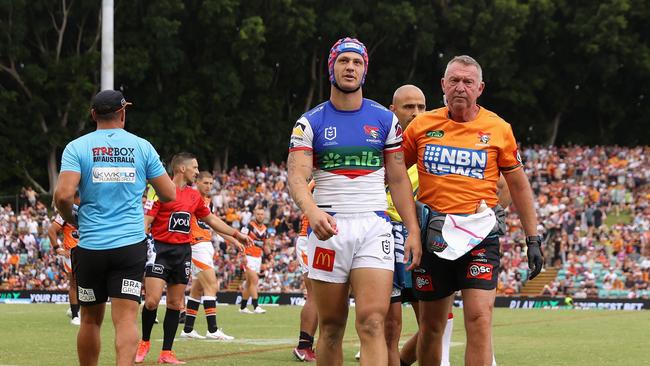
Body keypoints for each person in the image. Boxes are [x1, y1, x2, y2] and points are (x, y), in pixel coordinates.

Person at [287, 37, 422, 366]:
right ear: (331, 67)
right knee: (331, 328)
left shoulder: (384, 120)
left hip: (374, 227)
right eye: (344, 60)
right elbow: (297, 177)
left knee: (373, 323)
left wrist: (413, 230)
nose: (350, 67)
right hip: (327, 229)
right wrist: (312, 210)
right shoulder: (310, 122)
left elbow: (400, 179)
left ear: (365, 70)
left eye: (357, 62)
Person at [401, 55, 543, 366]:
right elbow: (395, 173)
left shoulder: (498, 128)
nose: (460, 87)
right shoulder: (422, 126)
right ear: (443, 85)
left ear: (480, 88)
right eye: (454, 80)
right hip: (433, 238)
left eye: (468, 82)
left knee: (479, 319)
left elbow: (518, 185)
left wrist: (533, 238)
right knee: (432, 326)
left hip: (479, 237)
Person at [54, 89, 177, 366]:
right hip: (129, 246)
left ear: (93, 115)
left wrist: (73, 218)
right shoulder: (142, 147)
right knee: (125, 320)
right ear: (122, 114)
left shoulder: (77, 147)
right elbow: (169, 193)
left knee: (89, 320)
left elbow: (62, 196)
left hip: (90, 246)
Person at [135, 153, 251, 364]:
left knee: (173, 303)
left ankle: (166, 352)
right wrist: (139, 246)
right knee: (151, 301)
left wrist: (236, 234)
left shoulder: (194, 196)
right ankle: (144, 341)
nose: (197, 172)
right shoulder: (159, 190)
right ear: (181, 169)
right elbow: (147, 220)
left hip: (182, 253)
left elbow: (212, 219)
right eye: (195, 168)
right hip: (160, 250)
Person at [180, 171, 235, 340]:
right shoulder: (191, 198)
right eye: (205, 183)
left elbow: (215, 226)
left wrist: (234, 239)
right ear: (196, 182)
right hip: (196, 245)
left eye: (211, 184)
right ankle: (212, 330)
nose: (209, 186)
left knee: (197, 289)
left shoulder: (208, 202)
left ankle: (188, 330)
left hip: (206, 244)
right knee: (212, 285)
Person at [292, 180, 318, 362]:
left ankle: (312, 344)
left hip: (319, 238)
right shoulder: (317, 181)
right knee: (315, 295)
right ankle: (303, 346)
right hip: (310, 238)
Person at [48, 191, 81, 325]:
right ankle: (75, 316)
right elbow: (51, 230)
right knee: (74, 282)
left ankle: (75, 308)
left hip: (88, 250)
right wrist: (57, 248)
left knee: (85, 282)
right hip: (71, 252)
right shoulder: (65, 213)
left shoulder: (88, 209)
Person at [239, 207, 269, 314]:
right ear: (255, 215)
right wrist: (242, 255)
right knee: (254, 280)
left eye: (262, 214)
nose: (260, 216)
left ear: (264, 216)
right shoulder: (248, 226)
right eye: (258, 214)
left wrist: (269, 256)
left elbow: (265, 244)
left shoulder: (265, 229)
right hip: (248, 256)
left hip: (258, 258)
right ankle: (256, 306)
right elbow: (240, 238)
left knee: (249, 283)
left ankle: (242, 307)